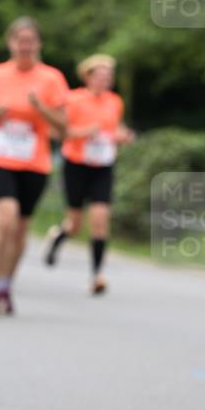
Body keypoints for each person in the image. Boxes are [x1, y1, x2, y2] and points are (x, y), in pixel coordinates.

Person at [0, 16, 69, 315]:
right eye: (20, 40)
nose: (25, 46)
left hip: (34, 163)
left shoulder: (51, 79)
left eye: (31, 41)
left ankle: (6, 285)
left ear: (38, 44)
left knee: (20, 230)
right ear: (10, 42)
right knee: (6, 219)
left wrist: (41, 108)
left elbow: (64, 126)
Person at [44, 54, 135, 294]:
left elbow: (116, 127)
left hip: (103, 165)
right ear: (88, 76)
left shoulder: (115, 101)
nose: (106, 80)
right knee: (74, 224)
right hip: (76, 164)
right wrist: (85, 131)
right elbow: (58, 132)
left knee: (100, 218)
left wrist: (123, 136)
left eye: (109, 76)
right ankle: (57, 238)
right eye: (100, 76)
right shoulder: (73, 99)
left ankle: (97, 275)